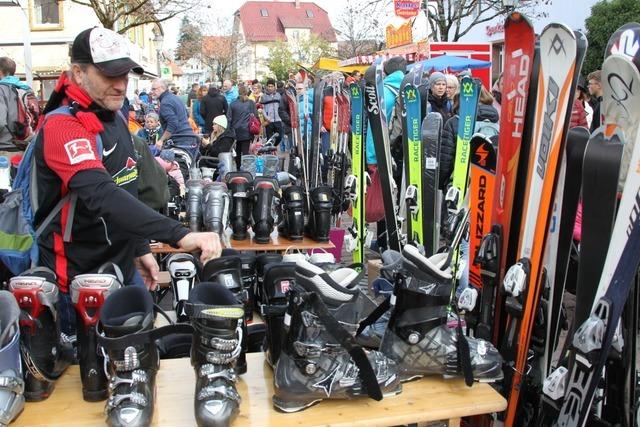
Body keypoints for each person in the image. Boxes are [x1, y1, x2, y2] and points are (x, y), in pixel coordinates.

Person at [35, 27, 221, 332]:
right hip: (79, 281)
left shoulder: (115, 117)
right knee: (90, 375)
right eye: (110, 75)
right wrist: (180, 234)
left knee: (143, 361)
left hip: (122, 266)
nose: (121, 85)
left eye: (125, 75)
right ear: (79, 73)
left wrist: (139, 248)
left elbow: (126, 184)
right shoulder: (63, 127)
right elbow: (102, 193)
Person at [150, 79, 198, 157]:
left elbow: (173, 123)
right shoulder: (175, 98)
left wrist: (161, 140)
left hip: (180, 140)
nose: (151, 91)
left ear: (162, 88)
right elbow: (186, 116)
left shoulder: (165, 102)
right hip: (189, 138)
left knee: (176, 167)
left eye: (154, 89)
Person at [0, 56, 35, 157]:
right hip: (27, 148)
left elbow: (1, 122)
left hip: (5, 150)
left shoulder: (1, 90)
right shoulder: (26, 89)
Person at [229, 85, 258, 168]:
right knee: (245, 151)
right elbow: (255, 117)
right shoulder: (251, 103)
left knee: (237, 151)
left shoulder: (233, 104)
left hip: (236, 131)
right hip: (247, 131)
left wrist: (230, 130)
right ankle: (246, 169)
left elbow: (229, 118)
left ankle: (238, 168)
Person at [260, 78, 283, 145]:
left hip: (278, 119)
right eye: (269, 86)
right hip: (268, 121)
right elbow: (262, 108)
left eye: (271, 86)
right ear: (267, 87)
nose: (270, 88)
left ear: (274, 87)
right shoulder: (264, 97)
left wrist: (281, 117)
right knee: (269, 139)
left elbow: (281, 107)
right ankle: (270, 152)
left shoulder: (278, 95)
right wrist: (266, 118)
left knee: (279, 137)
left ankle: (274, 147)